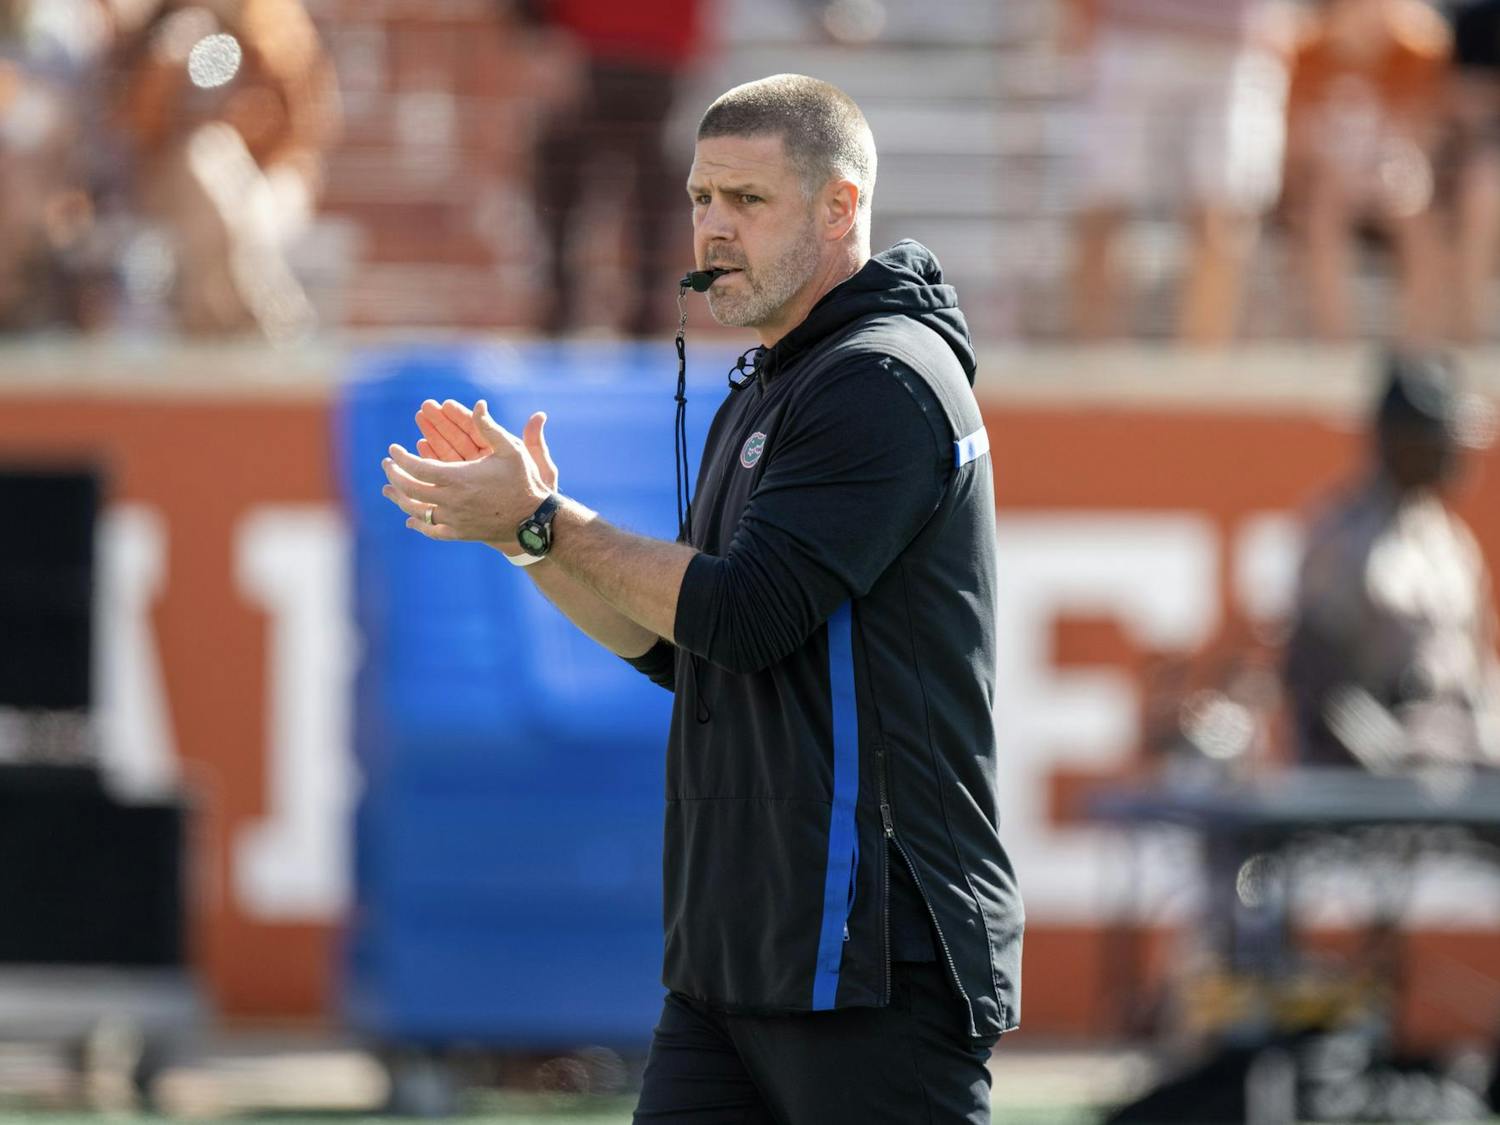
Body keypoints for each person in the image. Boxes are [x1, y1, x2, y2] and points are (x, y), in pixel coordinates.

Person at [380, 74, 1024, 1123]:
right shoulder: (774, 383)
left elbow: (743, 615)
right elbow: (684, 649)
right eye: (699, 198)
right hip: (738, 950)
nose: (713, 226)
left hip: (870, 952)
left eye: (747, 200)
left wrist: (550, 518)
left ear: (840, 207)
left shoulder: (881, 379)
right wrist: (524, 538)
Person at [1284, 349, 1500, 771]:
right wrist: (1396, 760)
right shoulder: (1344, 538)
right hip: (1374, 777)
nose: (1455, 450)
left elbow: (1478, 668)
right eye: (1440, 438)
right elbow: (1321, 683)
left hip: (1459, 758)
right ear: (1401, 441)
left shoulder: (1448, 539)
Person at [1062, 0, 1292, 344]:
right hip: (1130, 35)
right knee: (1102, 203)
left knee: (1225, 213)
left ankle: (1202, 365)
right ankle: (1094, 358)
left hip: (1235, 46)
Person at [1282, 0, 1451, 342]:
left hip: (1390, 174)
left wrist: (1390, 168)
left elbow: (1426, 130)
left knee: (1416, 214)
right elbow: (1293, 141)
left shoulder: (1419, 51)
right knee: (1324, 209)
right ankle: (1336, 341)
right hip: (1322, 179)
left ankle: (1416, 344)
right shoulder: (1305, 51)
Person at [1448, 0, 1500, 342]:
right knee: (1485, 184)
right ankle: (1469, 336)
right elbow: (1461, 102)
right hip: (1482, 153)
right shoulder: (1478, 19)